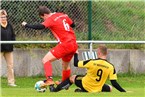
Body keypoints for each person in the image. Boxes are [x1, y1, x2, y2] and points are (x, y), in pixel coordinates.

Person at [21, 6, 78, 88]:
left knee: (46, 60)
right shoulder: (62, 15)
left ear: (44, 15)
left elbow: (40, 27)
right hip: (74, 44)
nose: (44, 20)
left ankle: (49, 80)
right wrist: (65, 18)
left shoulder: (50, 19)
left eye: (42, 18)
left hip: (65, 44)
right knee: (65, 65)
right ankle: (65, 84)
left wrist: (27, 25)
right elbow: (73, 25)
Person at [51, 45, 126, 92]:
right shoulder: (110, 66)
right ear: (106, 53)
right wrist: (123, 91)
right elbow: (114, 83)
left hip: (86, 84)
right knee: (110, 88)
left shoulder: (92, 62)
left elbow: (76, 63)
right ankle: (83, 91)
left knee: (72, 78)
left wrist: (76, 53)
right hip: (97, 88)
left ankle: (55, 90)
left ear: (99, 53)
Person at [0, 9, 17, 87]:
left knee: (10, 66)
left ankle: (11, 82)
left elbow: (13, 35)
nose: (3, 18)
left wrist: (12, 42)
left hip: (9, 49)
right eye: (1, 17)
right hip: (0, 48)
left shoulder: (9, 25)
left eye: (5, 17)